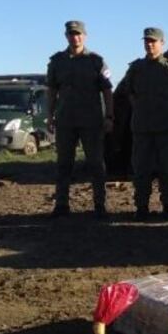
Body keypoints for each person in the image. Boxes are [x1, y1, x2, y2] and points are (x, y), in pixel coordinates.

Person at [46, 20, 114, 219]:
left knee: (96, 164)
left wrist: (109, 116)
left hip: (91, 121)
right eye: (71, 34)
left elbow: (108, 90)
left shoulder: (96, 61)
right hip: (65, 120)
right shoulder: (57, 61)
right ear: (66, 36)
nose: (75, 37)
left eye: (78, 34)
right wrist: (50, 115)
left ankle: (100, 205)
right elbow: (51, 90)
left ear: (85, 36)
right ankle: (61, 204)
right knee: (63, 164)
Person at [122, 27, 168, 220]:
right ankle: (141, 206)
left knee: (167, 168)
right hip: (142, 127)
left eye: (153, 41)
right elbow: (130, 92)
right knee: (141, 168)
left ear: (162, 43)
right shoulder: (136, 69)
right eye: (147, 41)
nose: (149, 44)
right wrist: (140, 110)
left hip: (165, 127)